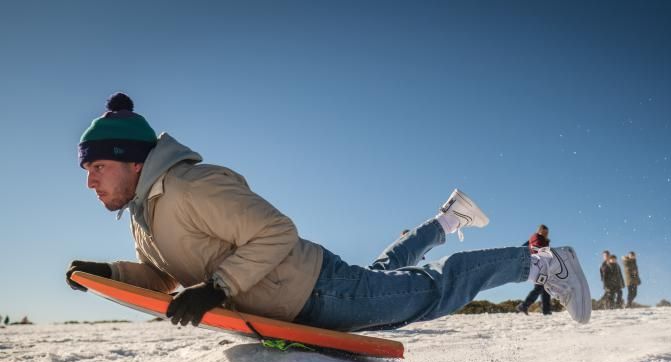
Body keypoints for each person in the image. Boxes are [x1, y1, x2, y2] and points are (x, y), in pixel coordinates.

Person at [66, 93, 592, 332]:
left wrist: (219, 288)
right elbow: (163, 278)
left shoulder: (188, 187)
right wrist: (108, 274)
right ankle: (448, 219)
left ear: (128, 160)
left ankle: (544, 264)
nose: (89, 179)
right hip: (306, 291)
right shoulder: (144, 214)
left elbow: (275, 231)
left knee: (432, 291)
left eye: (95, 167)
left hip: (318, 291)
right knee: (386, 274)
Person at [516, 225, 552, 316]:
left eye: (547, 233)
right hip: (538, 267)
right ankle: (524, 306)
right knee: (539, 288)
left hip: (542, 268)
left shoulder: (543, 240)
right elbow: (531, 248)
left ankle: (546, 310)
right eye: (544, 232)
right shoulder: (537, 238)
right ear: (539, 231)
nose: (546, 234)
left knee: (545, 289)